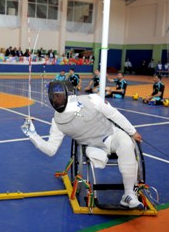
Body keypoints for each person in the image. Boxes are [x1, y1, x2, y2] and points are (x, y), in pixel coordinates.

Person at [21, 80, 144, 209]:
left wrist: (132, 132)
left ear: (69, 94)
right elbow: (51, 149)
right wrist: (32, 135)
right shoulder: (57, 121)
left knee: (126, 144)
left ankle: (129, 194)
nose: (56, 99)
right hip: (93, 147)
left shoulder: (92, 100)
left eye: (58, 95)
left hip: (112, 136)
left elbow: (114, 114)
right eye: (53, 96)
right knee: (96, 157)